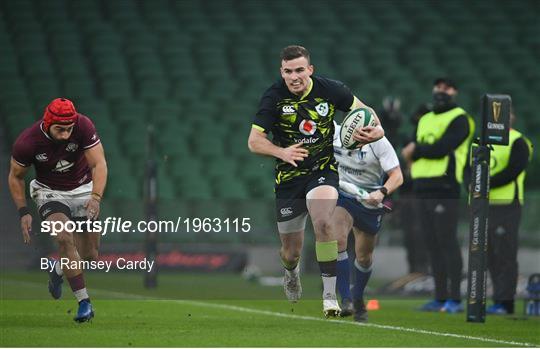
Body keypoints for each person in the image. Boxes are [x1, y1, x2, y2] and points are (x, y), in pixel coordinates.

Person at [247, 45, 384, 317]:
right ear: (281, 72)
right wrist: (281, 151)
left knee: (323, 221)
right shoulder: (273, 97)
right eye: (288, 71)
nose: (294, 76)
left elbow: (368, 114)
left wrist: (376, 131)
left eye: (300, 70)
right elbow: (254, 141)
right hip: (288, 178)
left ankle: (329, 297)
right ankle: (290, 272)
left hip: (322, 170)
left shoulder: (331, 89)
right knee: (291, 252)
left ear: (310, 69)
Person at [8, 98, 107, 322]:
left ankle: (58, 269)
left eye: (68, 129)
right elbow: (16, 177)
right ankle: (84, 302)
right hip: (49, 192)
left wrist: (96, 197)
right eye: (59, 129)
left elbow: (99, 164)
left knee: (90, 255)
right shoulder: (27, 142)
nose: (65, 135)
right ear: (47, 123)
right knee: (63, 236)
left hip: (83, 188)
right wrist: (23, 212)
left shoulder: (83, 126)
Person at [401, 78, 475, 313]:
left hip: (445, 186)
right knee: (431, 244)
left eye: (448, 87)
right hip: (421, 187)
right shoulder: (425, 118)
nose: (442, 91)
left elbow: (441, 148)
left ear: (455, 91)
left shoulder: (461, 118)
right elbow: (413, 146)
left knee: (447, 242)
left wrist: (417, 151)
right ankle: (440, 297)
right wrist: (416, 152)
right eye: (439, 87)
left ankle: (455, 298)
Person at [332, 121, 403, 321]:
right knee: (337, 240)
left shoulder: (379, 142)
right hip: (343, 194)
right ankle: (346, 299)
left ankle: (357, 297)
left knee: (364, 257)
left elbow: (397, 176)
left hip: (370, 200)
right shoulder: (333, 134)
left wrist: (381, 193)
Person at [485, 112, 533, 315]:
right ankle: (497, 299)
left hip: (507, 204)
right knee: (490, 255)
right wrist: (472, 181)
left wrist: (485, 183)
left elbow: (514, 169)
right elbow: (469, 168)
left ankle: (506, 303)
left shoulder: (519, 141)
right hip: (484, 205)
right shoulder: (481, 141)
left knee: (505, 253)